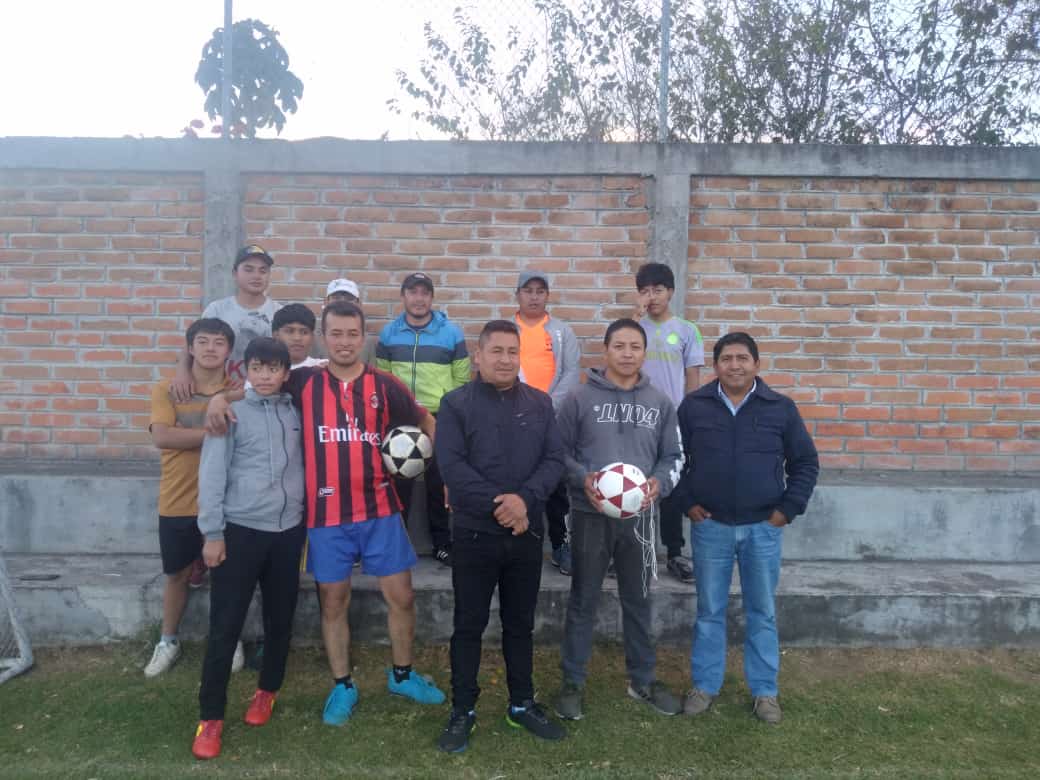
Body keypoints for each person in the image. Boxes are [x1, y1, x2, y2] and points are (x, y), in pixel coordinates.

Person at [206, 300, 445, 725]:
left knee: (402, 596)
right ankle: (343, 685)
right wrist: (218, 399)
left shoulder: (385, 384)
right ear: (324, 337)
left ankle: (402, 675)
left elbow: (427, 421)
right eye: (336, 334)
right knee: (333, 601)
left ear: (363, 337)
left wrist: (437, 464)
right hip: (327, 515)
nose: (344, 342)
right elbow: (256, 388)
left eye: (352, 334)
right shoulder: (302, 381)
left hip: (380, 510)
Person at [434, 320, 568, 753]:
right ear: (479, 355)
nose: (506, 359)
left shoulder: (540, 403)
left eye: (513, 351)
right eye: (497, 351)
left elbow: (554, 459)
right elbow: (451, 466)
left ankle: (521, 703)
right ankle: (463, 710)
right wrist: (503, 506)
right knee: (468, 625)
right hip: (474, 534)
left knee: (520, 624)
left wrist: (524, 501)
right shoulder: (455, 404)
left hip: (526, 534)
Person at [672, 332, 819, 725]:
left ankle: (765, 691)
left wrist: (787, 509)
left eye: (742, 358)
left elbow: (805, 463)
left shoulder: (780, 408)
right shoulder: (694, 407)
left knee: (762, 611)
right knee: (710, 611)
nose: (734, 365)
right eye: (726, 358)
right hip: (712, 527)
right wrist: (687, 502)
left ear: (756, 364)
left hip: (763, 528)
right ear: (716, 365)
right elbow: (673, 459)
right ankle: (704, 686)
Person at [553, 319, 685, 721]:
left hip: (640, 520)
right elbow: (557, 452)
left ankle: (642, 680)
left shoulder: (660, 402)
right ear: (606, 350)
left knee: (639, 599)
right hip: (589, 514)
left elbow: (673, 456)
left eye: (635, 346)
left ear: (644, 353)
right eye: (619, 346)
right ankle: (572, 683)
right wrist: (583, 479)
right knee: (583, 598)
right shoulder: (579, 398)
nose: (627, 353)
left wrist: (659, 483)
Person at [191, 338, 307, 760]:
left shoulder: (296, 410)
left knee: (280, 620)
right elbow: (212, 473)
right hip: (240, 531)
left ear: (286, 373)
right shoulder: (230, 412)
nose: (265, 376)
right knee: (225, 626)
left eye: (273, 368)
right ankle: (211, 718)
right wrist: (212, 533)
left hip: (288, 531)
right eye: (257, 367)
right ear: (246, 371)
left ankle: (266, 691)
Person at [144, 318, 244, 678]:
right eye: (203, 342)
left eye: (219, 342)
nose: (210, 348)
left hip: (224, 503)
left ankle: (228, 639)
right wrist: (216, 432)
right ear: (190, 348)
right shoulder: (167, 390)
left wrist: (191, 432)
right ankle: (168, 640)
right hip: (178, 498)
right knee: (177, 574)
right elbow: (163, 437)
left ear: (229, 350)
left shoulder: (238, 392)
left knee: (225, 576)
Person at [376, 272, 470, 566]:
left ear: (431, 297)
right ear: (403, 296)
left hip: (440, 416)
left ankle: (442, 543)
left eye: (424, 293)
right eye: (412, 292)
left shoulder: (451, 334)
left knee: (438, 481)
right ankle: (398, 541)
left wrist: (449, 413)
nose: (419, 298)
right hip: (401, 416)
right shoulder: (388, 334)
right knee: (399, 481)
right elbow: (383, 378)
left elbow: (461, 379)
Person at [634, 262, 705, 584]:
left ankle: (674, 552)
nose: (652, 297)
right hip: (637, 419)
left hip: (673, 419)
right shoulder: (634, 328)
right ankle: (632, 551)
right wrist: (635, 318)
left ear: (671, 292)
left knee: (671, 486)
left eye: (658, 290)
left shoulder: (687, 330)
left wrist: (689, 418)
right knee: (635, 484)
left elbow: (693, 379)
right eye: (645, 291)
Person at [513, 271, 581, 576]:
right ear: (518, 294)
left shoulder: (562, 332)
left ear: (548, 296)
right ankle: (519, 542)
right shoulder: (506, 329)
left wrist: (545, 408)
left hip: (552, 419)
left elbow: (571, 373)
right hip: (514, 419)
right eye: (528, 290)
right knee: (517, 479)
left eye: (540, 291)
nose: (534, 296)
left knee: (555, 484)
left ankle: (560, 545)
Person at [171, 244, 282, 401]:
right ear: (235, 273)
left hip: (263, 395)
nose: (256, 276)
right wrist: (182, 372)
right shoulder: (217, 309)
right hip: (218, 392)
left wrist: (251, 382)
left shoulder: (279, 313)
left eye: (263, 271)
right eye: (249, 269)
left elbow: (286, 358)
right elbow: (193, 343)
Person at [322, 278, 377, 365]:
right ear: (326, 302)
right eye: (336, 298)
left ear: (359, 303)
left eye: (349, 298)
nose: (342, 302)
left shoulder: (368, 342)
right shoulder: (311, 338)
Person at [271, 303, 325, 369]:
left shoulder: (323, 368)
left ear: (312, 337)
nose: (297, 338)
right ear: (275, 335)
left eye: (304, 332)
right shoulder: (263, 370)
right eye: (290, 331)